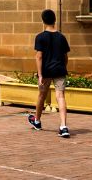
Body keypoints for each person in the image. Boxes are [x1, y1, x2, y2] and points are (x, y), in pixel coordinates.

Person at [28, 8, 71, 138]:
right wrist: (63, 67)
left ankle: (37, 121)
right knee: (61, 97)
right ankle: (63, 126)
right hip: (59, 70)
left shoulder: (40, 37)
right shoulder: (61, 37)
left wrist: (40, 74)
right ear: (54, 20)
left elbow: (39, 57)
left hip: (46, 71)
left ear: (43, 21)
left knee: (41, 95)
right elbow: (65, 57)